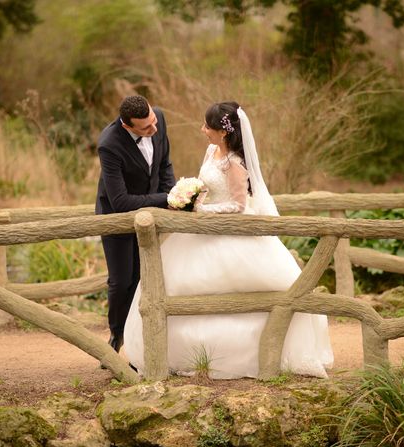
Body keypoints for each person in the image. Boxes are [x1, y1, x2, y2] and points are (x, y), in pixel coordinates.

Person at [123, 101, 333, 379]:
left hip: (228, 232)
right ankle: (174, 353)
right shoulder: (212, 150)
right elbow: (205, 185)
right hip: (199, 233)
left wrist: (202, 209)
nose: (202, 130)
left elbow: (238, 205)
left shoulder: (235, 164)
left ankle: (243, 356)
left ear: (223, 132)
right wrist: (191, 194)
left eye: (206, 126)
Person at [95, 95, 176, 352]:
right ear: (127, 125)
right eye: (146, 128)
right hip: (115, 218)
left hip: (149, 217)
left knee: (143, 277)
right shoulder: (109, 145)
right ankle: (116, 335)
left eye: (153, 121)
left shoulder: (158, 117)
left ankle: (138, 338)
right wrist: (166, 198)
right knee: (121, 281)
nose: (154, 129)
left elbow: (164, 165)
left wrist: (176, 193)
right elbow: (119, 201)